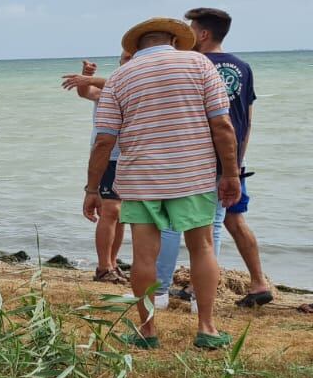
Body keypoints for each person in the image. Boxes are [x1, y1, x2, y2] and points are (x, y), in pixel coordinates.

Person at [86, 17, 240, 350]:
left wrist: (91, 189)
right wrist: (231, 173)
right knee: (201, 247)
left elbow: (104, 140)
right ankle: (207, 329)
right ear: (173, 39)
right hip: (193, 175)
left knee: (144, 255)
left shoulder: (119, 77)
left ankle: (147, 332)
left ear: (136, 46)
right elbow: (223, 125)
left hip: (140, 179)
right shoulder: (199, 63)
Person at [185, 7, 271, 307]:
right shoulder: (243, 67)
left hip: (203, 159)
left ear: (203, 34)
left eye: (191, 30)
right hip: (233, 159)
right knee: (234, 219)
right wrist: (236, 164)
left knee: (207, 228)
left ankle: (200, 291)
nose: (188, 35)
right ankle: (259, 282)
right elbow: (247, 118)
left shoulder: (194, 64)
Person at [62, 54, 133, 284]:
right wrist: (88, 78)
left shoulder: (128, 86)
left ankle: (113, 263)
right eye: (124, 58)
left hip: (130, 157)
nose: (127, 60)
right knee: (110, 211)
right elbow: (87, 92)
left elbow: (114, 83)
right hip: (107, 157)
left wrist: (87, 78)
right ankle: (103, 267)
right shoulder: (109, 90)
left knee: (120, 215)